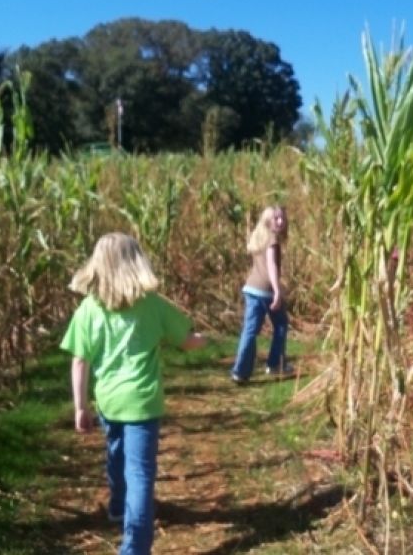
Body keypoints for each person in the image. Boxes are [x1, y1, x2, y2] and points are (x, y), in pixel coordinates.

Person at [60, 232, 206, 555]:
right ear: (136, 262)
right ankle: (135, 548)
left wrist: (80, 407)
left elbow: (80, 360)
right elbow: (185, 338)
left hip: (109, 402)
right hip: (143, 403)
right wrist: (203, 339)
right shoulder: (152, 305)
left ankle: (117, 506)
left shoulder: (90, 309)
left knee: (115, 455)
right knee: (139, 474)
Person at [231, 205, 293, 383]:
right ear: (267, 220)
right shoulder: (272, 239)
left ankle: (240, 372)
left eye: (282, 218)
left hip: (251, 288)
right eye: (276, 218)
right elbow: (272, 265)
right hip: (265, 290)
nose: (280, 222)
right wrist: (277, 291)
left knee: (249, 330)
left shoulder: (259, 236)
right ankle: (275, 364)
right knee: (281, 323)